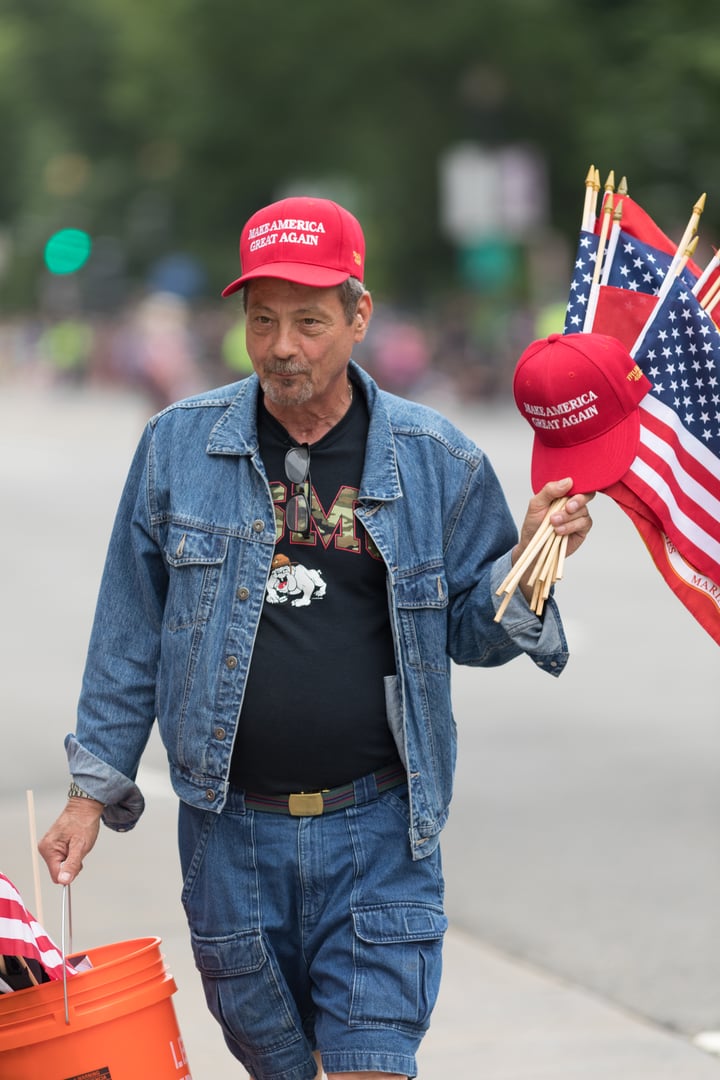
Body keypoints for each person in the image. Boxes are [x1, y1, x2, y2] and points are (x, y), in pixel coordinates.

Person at [39, 196, 594, 1080]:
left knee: (373, 1066)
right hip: (230, 843)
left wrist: (533, 562)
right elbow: (129, 633)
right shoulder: (178, 448)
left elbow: (470, 633)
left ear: (358, 315)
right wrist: (87, 794)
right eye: (263, 321)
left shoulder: (436, 460)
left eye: (308, 321)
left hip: (380, 836)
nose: (283, 346)